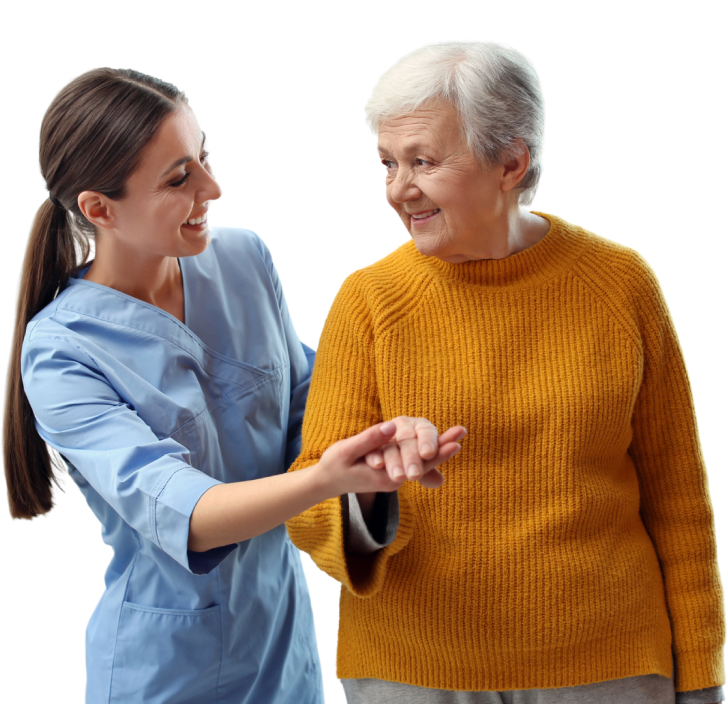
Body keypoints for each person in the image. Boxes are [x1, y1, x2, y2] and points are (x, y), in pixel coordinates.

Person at [2, 67, 466, 703]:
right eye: (178, 179)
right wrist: (328, 477)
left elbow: (308, 404)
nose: (212, 188)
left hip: (284, 651)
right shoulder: (61, 353)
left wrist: (383, 440)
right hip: (167, 673)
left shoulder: (243, 259)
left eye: (203, 156)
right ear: (99, 209)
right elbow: (186, 515)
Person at [285, 43, 726, 704]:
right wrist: (370, 485)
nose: (398, 189)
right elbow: (310, 507)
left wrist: (703, 675)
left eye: (422, 162)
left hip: (607, 667)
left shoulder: (619, 283)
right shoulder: (368, 300)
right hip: (411, 670)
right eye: (388, 163)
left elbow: (679, 501)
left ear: (510, 164)